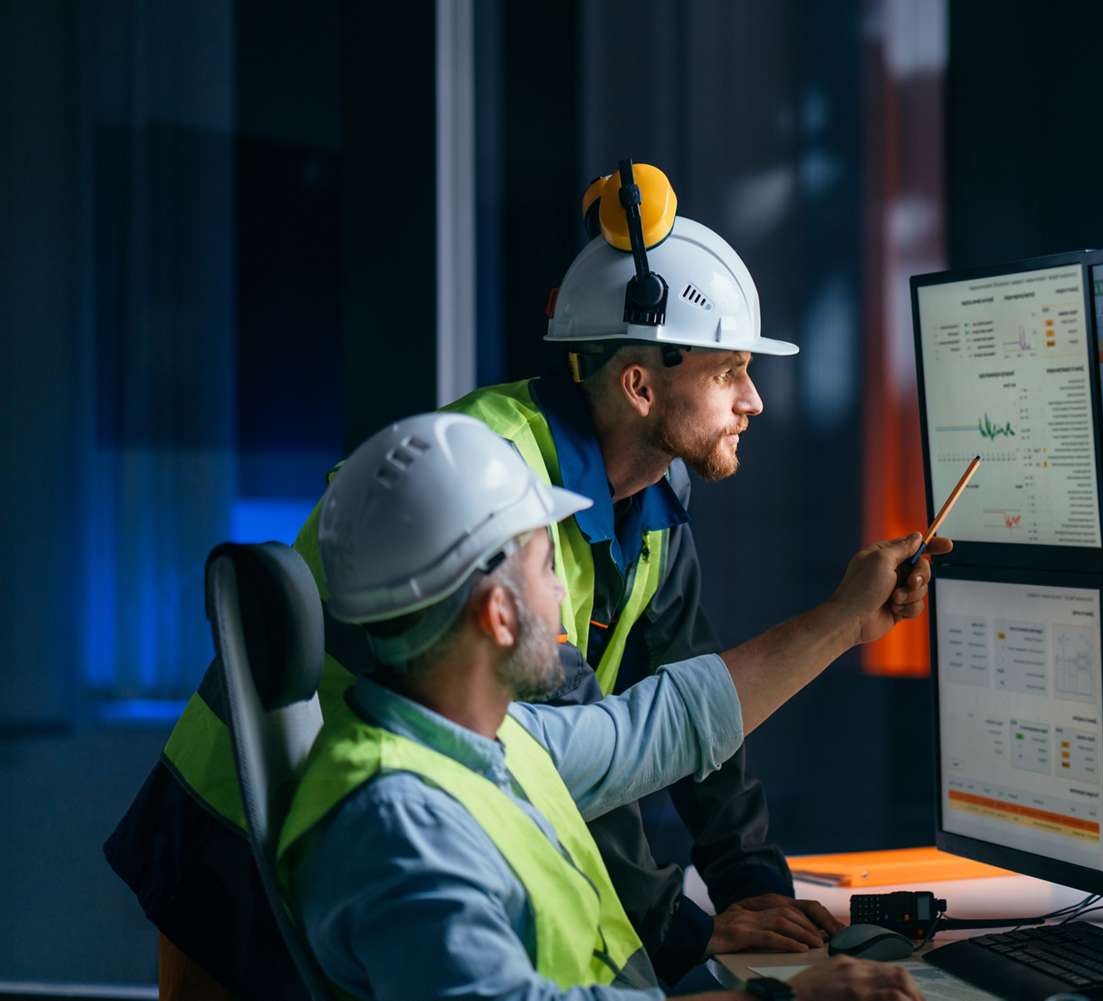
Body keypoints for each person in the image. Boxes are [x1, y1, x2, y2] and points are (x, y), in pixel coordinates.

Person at [104, 162, 870, 997]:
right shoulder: (487, 481)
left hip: (404, 804)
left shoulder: (647, 495)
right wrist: (687, 939)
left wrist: (749, 882)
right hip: (262, 820)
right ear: (641, 385)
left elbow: (672, 712)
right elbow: (591, 759)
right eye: (729, 372)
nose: (754, 400)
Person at [283, 411, 949, 1001]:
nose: (562, 594)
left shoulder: (486, 741)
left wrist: (844, 620)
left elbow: (658, 727)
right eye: (549, 568)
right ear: (499, 615)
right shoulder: (401, 826)